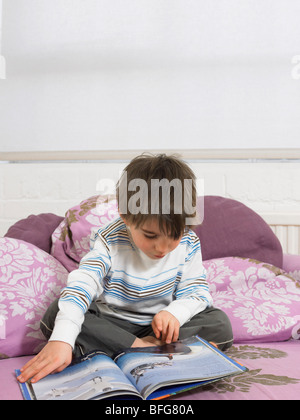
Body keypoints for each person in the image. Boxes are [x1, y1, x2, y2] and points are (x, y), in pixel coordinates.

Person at [18, 154, 233, 384]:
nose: (162, 247)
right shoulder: (108, 241)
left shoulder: (189, 243)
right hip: (113, 324)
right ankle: (141, 349)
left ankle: (135, 349)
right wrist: (61, 340)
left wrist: (174, 314)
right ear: (125, 215)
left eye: (174, 235)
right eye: (150, 235)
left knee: (220, 324)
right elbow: (83, 284)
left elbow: (197, 293)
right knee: (55, 316)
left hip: (160, 328)